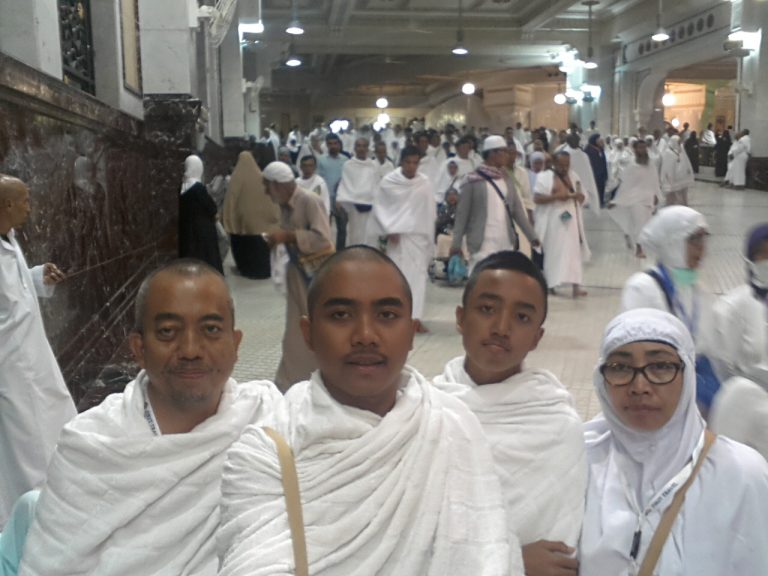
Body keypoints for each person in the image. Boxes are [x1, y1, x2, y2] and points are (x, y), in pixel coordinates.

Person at [217, 247, 521, 575]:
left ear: (411, 333)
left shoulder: (453, 426)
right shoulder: (265, 451)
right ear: (308, 334)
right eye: (341, 315)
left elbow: (490, 554)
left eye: (387, 315)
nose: (365, 336)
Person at [18, 260, 282, 576]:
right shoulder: (90, 448)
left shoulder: (268, 421)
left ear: (235, 344)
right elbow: (47, 566)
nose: (191, 350)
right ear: (139, 348)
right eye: (168, 332)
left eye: (211, 330)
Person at [579, 308, 768, 575]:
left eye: (660, 366)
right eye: (620, 368)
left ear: (687, 374)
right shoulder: (581, 462)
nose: (640, 386)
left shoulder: (742, 475)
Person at [433, 251, 585, 576]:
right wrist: (512, 561)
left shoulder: (559, 428)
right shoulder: (424, 411)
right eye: (487, 309)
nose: (501, 328)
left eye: (522, 318)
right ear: (461, 317)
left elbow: (558, 554)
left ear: (537, 338)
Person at [0, 175, 75, 529]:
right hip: (9, 363)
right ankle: (31, 510)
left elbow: (12, 287)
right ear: (7, 205)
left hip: (32, 353)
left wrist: (37, 276)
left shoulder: (9, 238)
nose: (30, 207)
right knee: (25, 437)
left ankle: (63, 487)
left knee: (52, 412)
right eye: (25, 201)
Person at [262, 161, 334, 392]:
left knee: (311, 327)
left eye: (267, 186)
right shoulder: (285, 204)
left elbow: (323, 240)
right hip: (297, 274)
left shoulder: (309, 201)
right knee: (296, 330)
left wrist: (288, 236)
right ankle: (291, 381)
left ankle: (315, 379)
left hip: (314, 277)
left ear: (278, 185)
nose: (266, 193)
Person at [708, 224, 768, 459]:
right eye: (762, 254)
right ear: (750, 258)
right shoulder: (731, 307)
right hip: (744, 410)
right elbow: (721, 367)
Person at [450, 135, 539, 273]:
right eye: (504, 151)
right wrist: (456, 244)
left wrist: (532, 236)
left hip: (505, 241)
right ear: (492, 154)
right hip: (481, 242)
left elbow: (517, 211)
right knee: (481, 278)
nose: (507, 155)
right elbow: (462, 214)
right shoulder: (472, 180)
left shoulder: (507, 179)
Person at [372, 147, 436, 334]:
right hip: (398, 239)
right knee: (397, 278)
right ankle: (395, 317)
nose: (411, 166)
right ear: (401, 162)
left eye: (415, 163)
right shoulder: (389, 182)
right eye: (408, 162)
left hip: (419, 237)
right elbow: (380, 207)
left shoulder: (424, 183)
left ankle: (415, 318)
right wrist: (389, 228)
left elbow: (429, 210)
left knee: (418, 278)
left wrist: (428, 235)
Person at [533, 151, 591, 298]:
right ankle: (551, 284)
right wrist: (557, 197)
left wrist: (580, 197)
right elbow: (537, 199)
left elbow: (583, 197)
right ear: (554, 163)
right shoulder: (544, 177)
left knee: (574, 252)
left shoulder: (574, 176)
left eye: (567, 165)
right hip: (554, 219)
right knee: (554, 253)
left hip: (571, 218)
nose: (564, 168)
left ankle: (576, 286)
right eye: (561, 165)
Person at [221, 151, 279, 279]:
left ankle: (247, 269)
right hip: (263, 226)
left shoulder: (236, 178)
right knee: (262, 250)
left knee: (245, 248)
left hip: (243, 224)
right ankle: (265, 270)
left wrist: (228, 219)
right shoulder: (261, 177)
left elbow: (230, 200)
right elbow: (272, 201)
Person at [607, 139, 661, 258]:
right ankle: (639, 248)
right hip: (635, 199)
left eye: (644, 147)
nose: (643, 150)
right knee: (640, 223)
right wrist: (616, 200)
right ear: (635, 149)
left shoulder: (651, 165)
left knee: (644, 224)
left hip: (648, 198)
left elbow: (655, 181)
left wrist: (656, 195)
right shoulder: (631, 166)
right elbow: (625, 185)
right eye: (640, 148)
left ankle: (628, 234)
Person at [179, 155, 223, 273]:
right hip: (203, 230)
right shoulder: (198, 188)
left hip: (188, 229)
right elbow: (211, 208)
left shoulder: (183, 186)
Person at [336, 137, 380, 246]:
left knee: (370, 236)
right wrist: (341, 198)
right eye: (359, 146)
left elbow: (376, 184)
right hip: (354, 206)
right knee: (356, 236)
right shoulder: (348, 165)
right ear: (355, 148)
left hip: (371, 206)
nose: (361, 149)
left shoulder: (374, 165)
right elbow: (345, 183)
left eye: (364, 146)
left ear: (368, 149)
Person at [317, 134, 349, 249]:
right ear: (326, 145)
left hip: (341, 199)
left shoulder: (345, 160)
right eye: (330, 144)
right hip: (325, 198)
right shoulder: (321, 160)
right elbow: (318, 180)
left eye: (335, 143)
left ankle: (340, 253)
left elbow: (348, 180)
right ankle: (326, 252)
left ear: (339, 144)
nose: (333, 146)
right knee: (325, 228)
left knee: (342, 229)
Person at [561, 134, 600, 215]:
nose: (575, 142)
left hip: (582, 184)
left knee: (579, 209)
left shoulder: (584, 155)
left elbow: (588, 172)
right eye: (573, 140)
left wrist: (589, 185)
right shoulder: (563, 154)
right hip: (567, 183)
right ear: (568, 141)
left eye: (577, 140)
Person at [659, 135, 695, 206]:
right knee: (672, 195)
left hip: (681, 177)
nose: (679, 143)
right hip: (671, 177)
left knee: (682, 194)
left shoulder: (681, 150)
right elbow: (666, 166)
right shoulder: (668, 152)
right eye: (678, 142)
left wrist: (688, 172)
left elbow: (685, 161)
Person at [585, 133, 608, 207]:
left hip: (601, 174)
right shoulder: (588, 150)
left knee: (601, 188)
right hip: (593, 173)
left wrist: (605, 173)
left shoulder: (600, 149)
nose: (600, 141)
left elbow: (604, 162)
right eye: (598, 139)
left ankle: (600, 202)